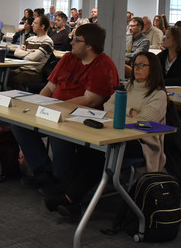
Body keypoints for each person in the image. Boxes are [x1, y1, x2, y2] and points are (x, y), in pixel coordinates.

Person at [44, 52, 168, 218]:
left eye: (142, 65)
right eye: (135, 64)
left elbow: (145, 121)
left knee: (99, 153)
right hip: (117, 133)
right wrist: (130, 111)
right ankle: (74, 199)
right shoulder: (128, 87)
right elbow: (108, 106)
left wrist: (123, 111)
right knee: (86, 148)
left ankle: (69, 197)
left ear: (153, 69)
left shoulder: (158, 95)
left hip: (141, 143)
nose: (136, 68)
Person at [12, 23, 119, 191]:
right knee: (19, 123)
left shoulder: (103, 65)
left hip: (81, 118)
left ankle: (60, 180)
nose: (72, 43)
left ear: (89, 46)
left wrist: (56, 107)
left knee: (59, 132)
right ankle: (43, 171)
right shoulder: (69, 58)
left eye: (77, 40)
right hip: (55, 110)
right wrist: (37, 106)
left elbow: (90, 100)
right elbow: (49, 89)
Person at [9, 14, 54, 89]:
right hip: (21, 69)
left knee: (15, 80)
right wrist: (29, 53)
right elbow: (16, 53)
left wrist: (24, 54)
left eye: (35, 23)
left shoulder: (47, 41)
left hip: (34, 73)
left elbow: (33, 57)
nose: (32, 25)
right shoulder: (30, 39)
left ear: (42, 26)